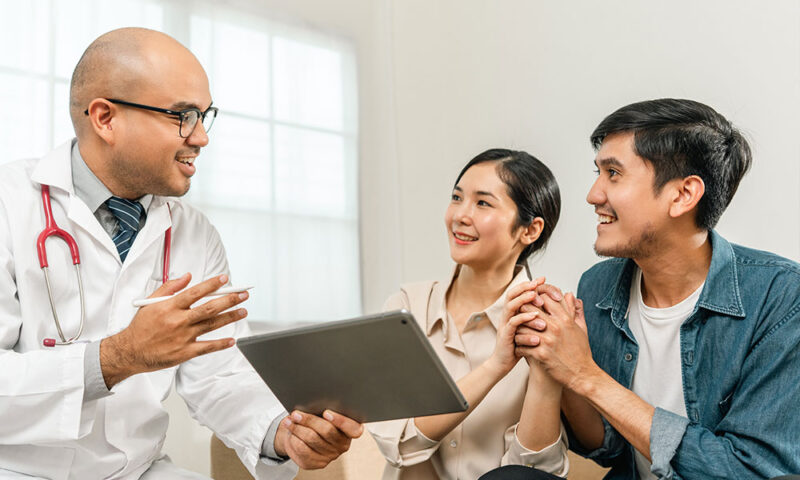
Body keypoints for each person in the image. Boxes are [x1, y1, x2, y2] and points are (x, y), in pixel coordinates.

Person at [0, 28, 362, 479]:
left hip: (139, 471)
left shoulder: (195, 234)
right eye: (183, 116)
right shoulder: (9, 204)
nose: (201, 137)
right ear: (105, 118)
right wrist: (119, 356)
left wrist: (282, 434)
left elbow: (219, 374)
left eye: (204, 116)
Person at [509, 99, 800, 478]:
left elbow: (747, 470)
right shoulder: (599, 284)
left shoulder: (780, 297)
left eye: (613, 173)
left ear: (682, 195)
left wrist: (586, 375)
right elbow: (609, 446)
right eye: (598, 172)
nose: (594, 195)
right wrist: (555, 363)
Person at [368, 149, 569, 479]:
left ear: (530, 230)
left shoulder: (546, 323)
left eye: (483, 203)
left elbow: (535, 472)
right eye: (457, 197)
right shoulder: (407, 308)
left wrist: (546, 375)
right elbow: (399, 446)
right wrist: (495, 367)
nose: (460, 215)